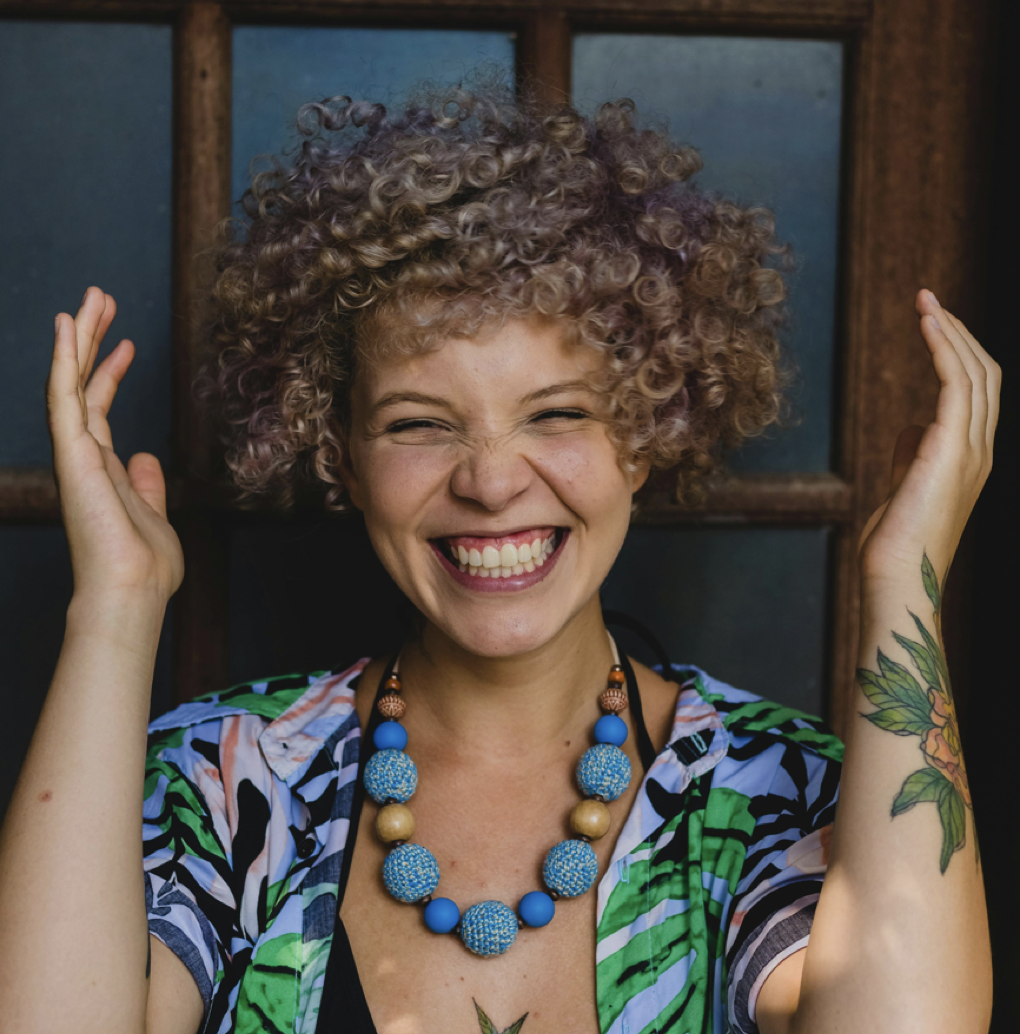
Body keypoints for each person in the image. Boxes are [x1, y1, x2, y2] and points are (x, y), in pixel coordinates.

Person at [0, 75, 995, 1034]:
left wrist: (902, 581)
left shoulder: (777, 791)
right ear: (338, 453)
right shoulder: (223, 778)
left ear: (646, 432)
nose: (490, 479)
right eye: (419, 424)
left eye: (556, 413)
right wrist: (117, 606)